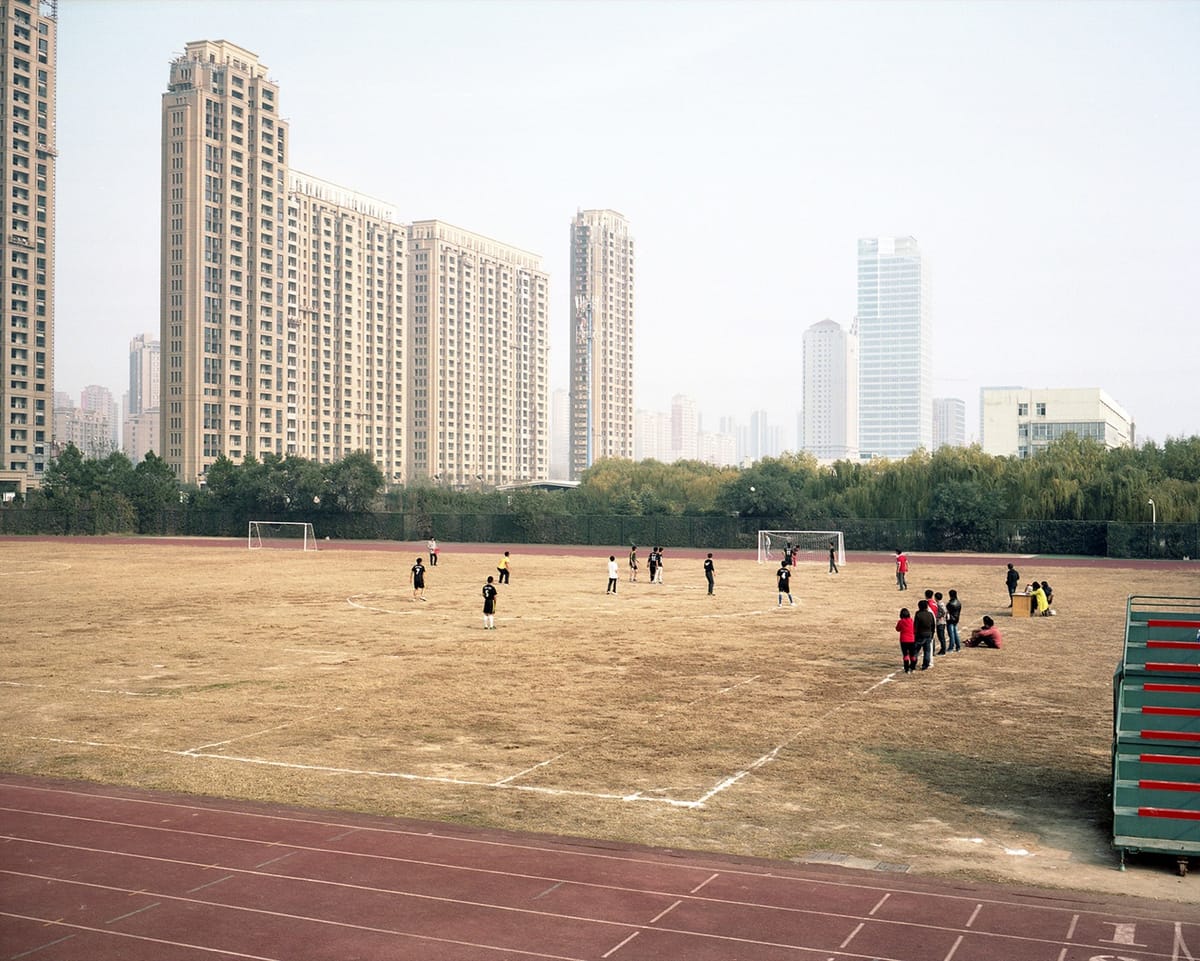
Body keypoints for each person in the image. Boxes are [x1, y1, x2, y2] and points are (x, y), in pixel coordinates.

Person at [913, 598, 935, 670]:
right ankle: (925, 665)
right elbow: (933, 625)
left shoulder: (918, 614)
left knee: (915, 650)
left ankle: (913, 663)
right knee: (927, 651)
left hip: (920, 634)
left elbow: (915, 626)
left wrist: (914, 635)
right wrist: (932, 634)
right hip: (928, 634)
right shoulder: (930, 614)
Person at [896, 607, 917, 673]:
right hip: (911, 639)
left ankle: (906, 669)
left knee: (905, 655)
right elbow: (914, 629)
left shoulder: (901, 621)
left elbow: (897, 629)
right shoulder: (911, 621)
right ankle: (913, 667)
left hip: (904, 640)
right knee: (912, 655)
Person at [945, 589, 962, 653]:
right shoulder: (958, 602)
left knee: (951, 634)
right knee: (955, 633)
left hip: (951, 620)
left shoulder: (950, 604)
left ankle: (951, 647)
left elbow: (947, 612)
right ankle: (958, 647)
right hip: (956, 619)